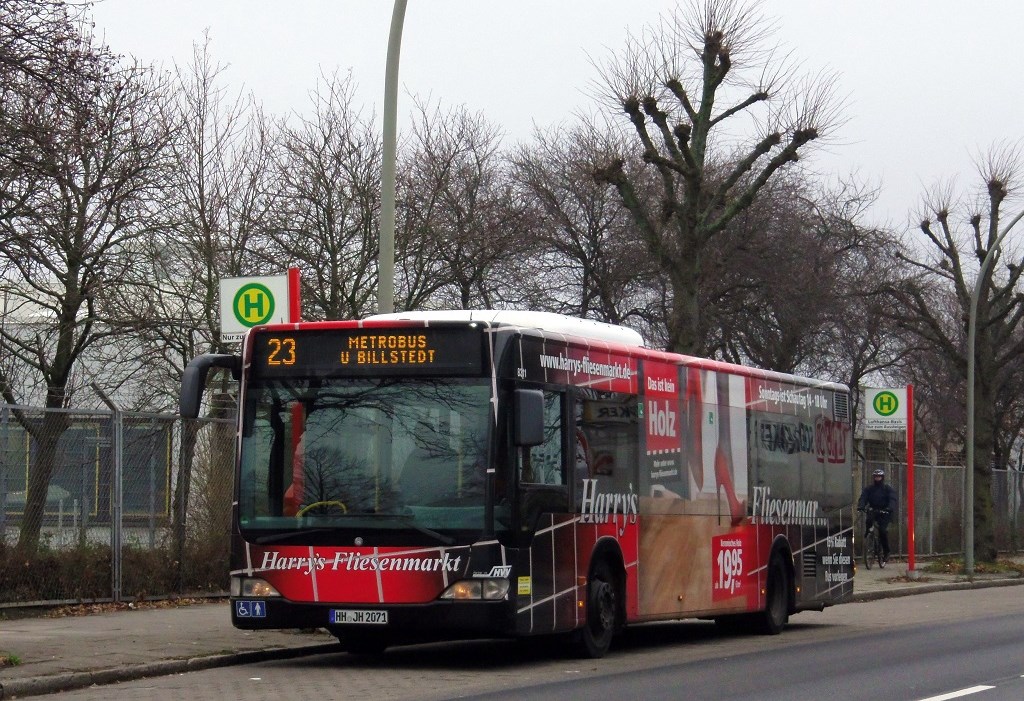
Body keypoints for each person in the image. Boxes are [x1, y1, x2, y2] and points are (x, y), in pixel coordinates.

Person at [857, 468, 898, 562]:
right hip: (873, 510)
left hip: (885, 512)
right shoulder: (869, 489)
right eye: (876, 476)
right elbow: (863, 497)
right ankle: (868, 540)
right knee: (868, 522)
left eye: (879, 476)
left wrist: (889, 508)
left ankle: (886, 551)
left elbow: (892, 499)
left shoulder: (887, 489)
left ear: (882, 478)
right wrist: (861, 506)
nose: (877, 478)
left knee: (882, 531)